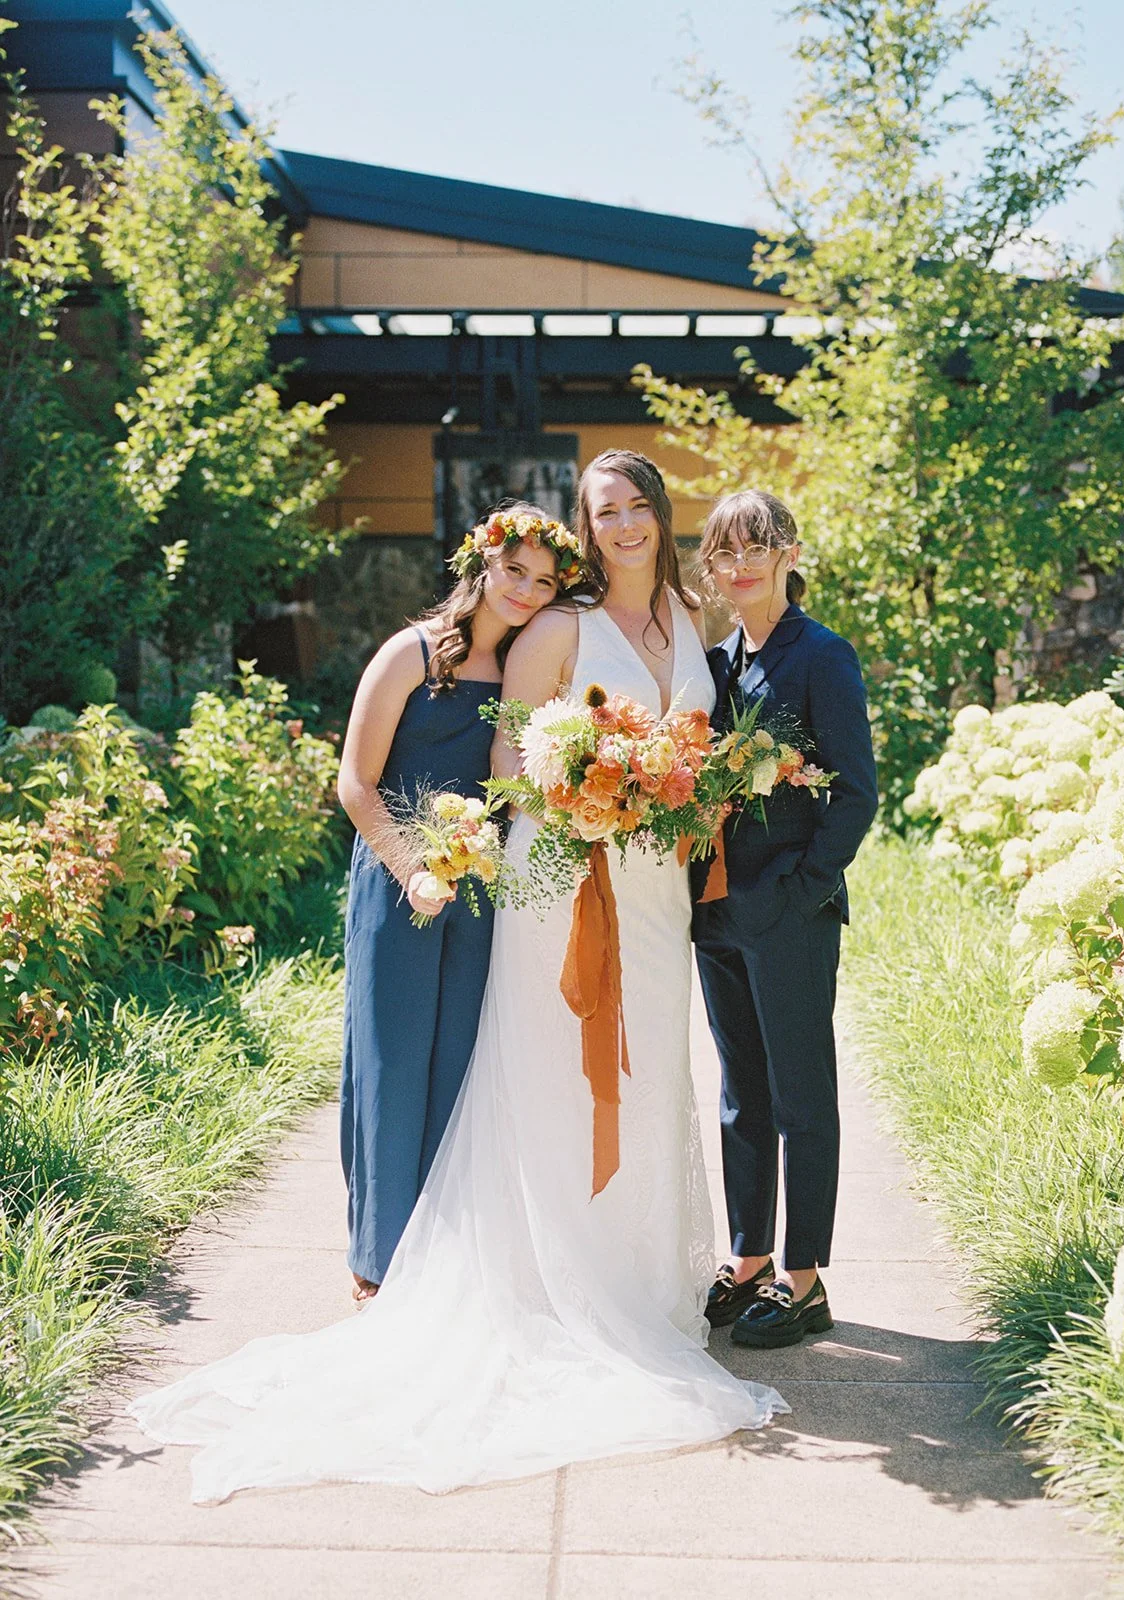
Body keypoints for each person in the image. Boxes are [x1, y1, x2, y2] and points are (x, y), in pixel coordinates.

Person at [127, 452, 785, 1504]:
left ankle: (638, 1276)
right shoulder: (549, 634)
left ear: (660, 515)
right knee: (534, 1072)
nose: (620, 524)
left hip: (656, 886)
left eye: (632, 507)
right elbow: (514, 768)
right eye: (600, 511)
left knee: (653, 1067)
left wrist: (685, 798)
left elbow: (694, 741)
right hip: (564, 868)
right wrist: (591, 806)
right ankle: (496, 1268)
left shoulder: (695, 621)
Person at [335, 503, 579, 1298]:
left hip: (478, 890)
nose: (526, 591)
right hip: (398, 879)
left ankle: (441, 1258)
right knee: (392, 1060)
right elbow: (356, 783)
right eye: (516, 571)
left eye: (544, 582)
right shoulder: (407, 655)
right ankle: (378, 1261)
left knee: (460, 1063)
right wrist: (410, 869)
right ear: (481, 563)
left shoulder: (521, 675)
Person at [692, 489, 878, 1348]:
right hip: (718, 912)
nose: (741, 565)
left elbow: (855, 794)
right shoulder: (719, 659)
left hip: (788, 913)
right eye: (727, 550)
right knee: (740, 1096)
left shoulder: (822, 656)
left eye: (757, 547)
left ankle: (804, 1281)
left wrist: (797, 895)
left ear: (789, 553)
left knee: (801, 1096)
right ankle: (749, 1258)